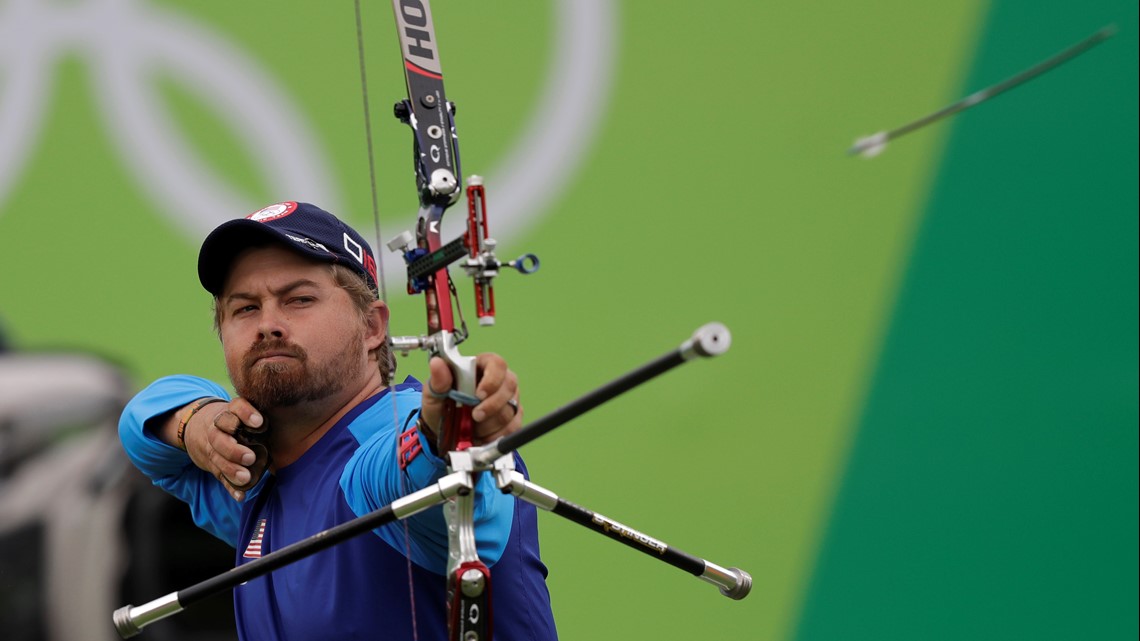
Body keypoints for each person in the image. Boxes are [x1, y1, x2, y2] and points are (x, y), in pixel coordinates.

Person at [119, 201, 557, 640]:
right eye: (245, 308)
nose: (268, 324)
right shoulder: (247, 474)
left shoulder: (386, 438)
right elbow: (140, 423)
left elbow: (413, 475)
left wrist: (445, 437)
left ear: (371, 327)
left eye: (299, 300)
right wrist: (196, 422)